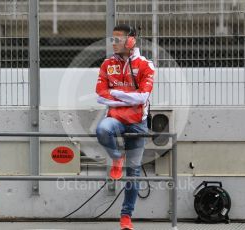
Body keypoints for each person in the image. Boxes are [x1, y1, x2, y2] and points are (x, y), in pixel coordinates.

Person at [95, 24, 155, 230]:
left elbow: (143, 97)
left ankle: (126, 217)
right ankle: (116, 157)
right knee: (102, 129)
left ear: (131, 41)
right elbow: (100, 95)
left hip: (138, 123)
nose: (113, 43)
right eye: (112, 39)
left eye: (117, 39)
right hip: (116, 119)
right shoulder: (107, 64)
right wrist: (127, 99)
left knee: (134, 172)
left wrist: (116, 95)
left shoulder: (147, 65)